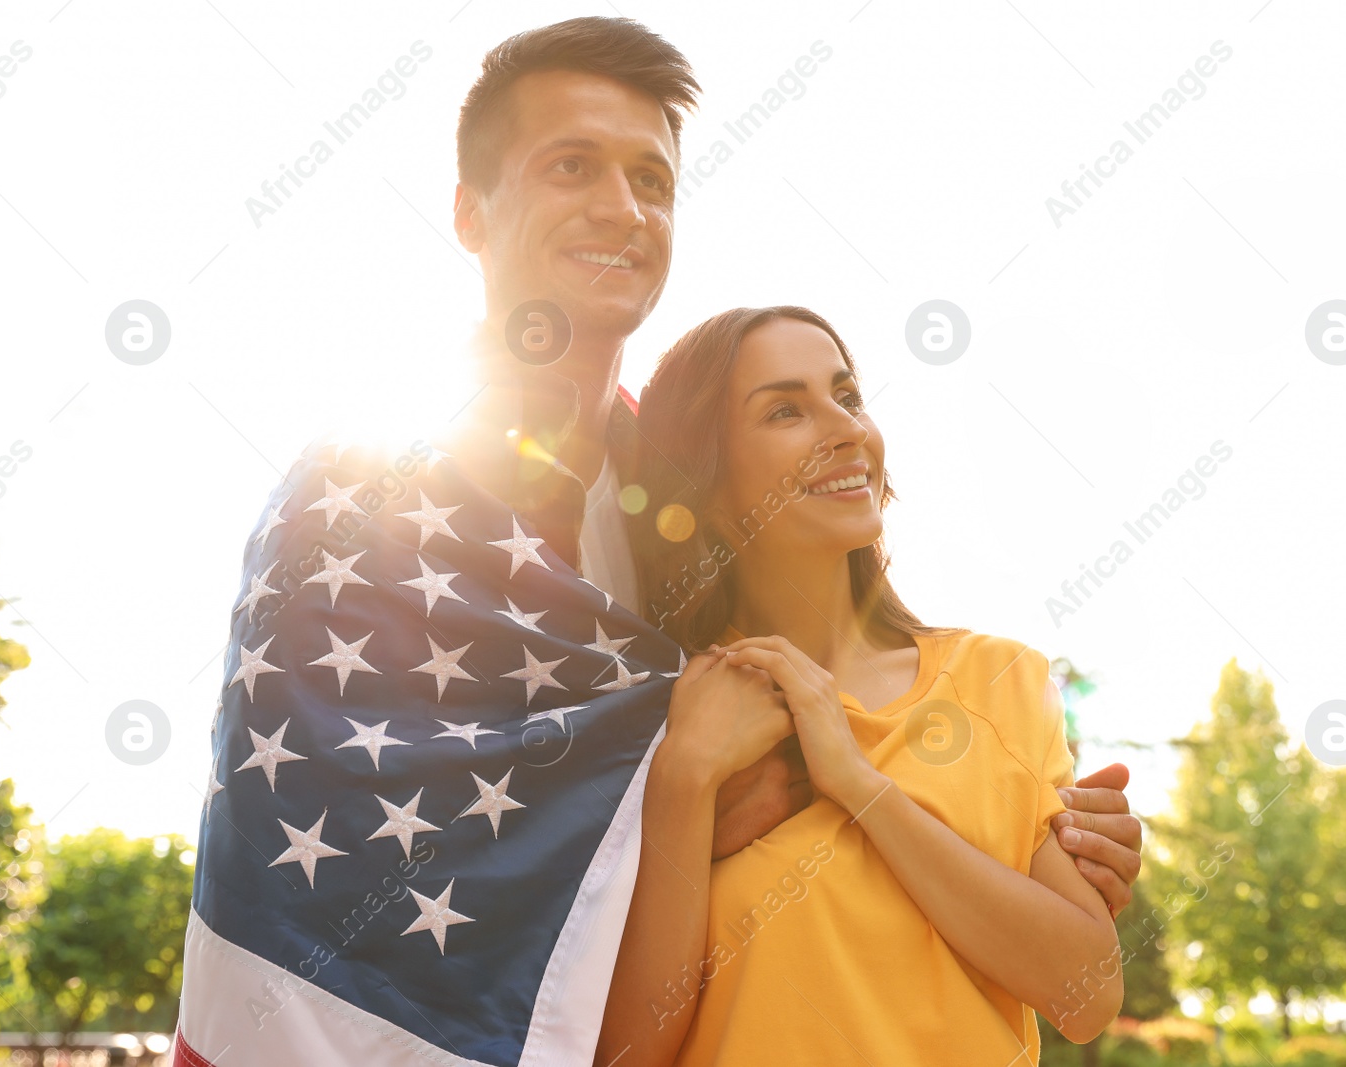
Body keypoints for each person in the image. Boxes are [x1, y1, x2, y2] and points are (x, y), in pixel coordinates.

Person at [178, 17, 1140, 1066]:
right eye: (570, 166)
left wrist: (1021, 830)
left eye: (651, 177)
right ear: (469, 210)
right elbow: (343, 839)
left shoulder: (670, 511)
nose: (620, 209)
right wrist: (677, 799)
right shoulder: (364, 495)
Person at [596, 307, 1123, 1066]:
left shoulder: (1002, 679)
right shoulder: (663, 717)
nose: (846, 429)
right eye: (785, 410)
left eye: (847, 396)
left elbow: (1087, 994)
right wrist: (683, 781)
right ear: (704, 485)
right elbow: (623, 1055)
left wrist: (855, 780)